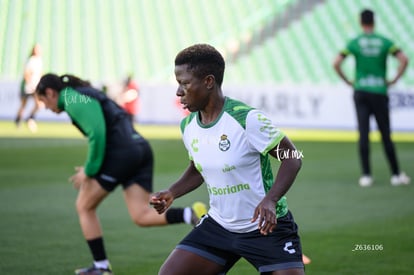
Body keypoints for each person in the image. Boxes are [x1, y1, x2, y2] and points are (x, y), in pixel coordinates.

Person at [150, 44, 305, 275]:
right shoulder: (189, 125)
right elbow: (198, 168)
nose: (178, 92)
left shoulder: (246, 119)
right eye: (177, 84)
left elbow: (292, 157)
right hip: (219, 227)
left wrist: (271, 200)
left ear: (209, 82)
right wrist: (172, 192)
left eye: (185, 83)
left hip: (266, 227)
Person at [35, 73, 207, 275]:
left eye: (42, 101)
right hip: (139, 148)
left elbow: (97, 133)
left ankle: (101, 267)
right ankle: (190, 214)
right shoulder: (79, 95)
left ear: (50, 92)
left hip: (121, 154)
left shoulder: (71, 97)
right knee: (141, 215)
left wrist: (89, 171)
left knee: (84, 206)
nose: (44, 106)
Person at [333, 9, 410, 187]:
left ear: (361, 22)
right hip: (379, 90)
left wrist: (348, 81)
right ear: (374, 22)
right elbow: (404, 59)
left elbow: (336, 62)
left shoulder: (355, 42)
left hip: (360, 90)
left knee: (363, 133)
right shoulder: (384, 42)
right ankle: (396, 175)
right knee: (385, 133)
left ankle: (366, 175)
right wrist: (394, 79)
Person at [15, 43, 43, 132]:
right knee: (24, 105)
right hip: (29, 86)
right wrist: (30, 84)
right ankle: (18, 120)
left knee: (39, 104)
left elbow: (40, 74)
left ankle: (30, 118)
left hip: (36, 86)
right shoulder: (31, 60)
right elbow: (27, 74)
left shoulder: (39, 61)